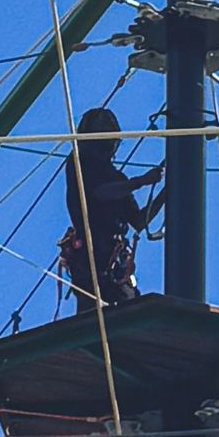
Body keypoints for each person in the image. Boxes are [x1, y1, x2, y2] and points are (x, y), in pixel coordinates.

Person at [62, 104, 162, 307]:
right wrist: (140, 182)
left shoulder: (117, 178)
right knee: (94, 313)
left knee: (125, 308)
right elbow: (100, 192)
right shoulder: (79, 162)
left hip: (114, 261)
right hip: (91, 258)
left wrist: (166, 192)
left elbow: (139, 221)